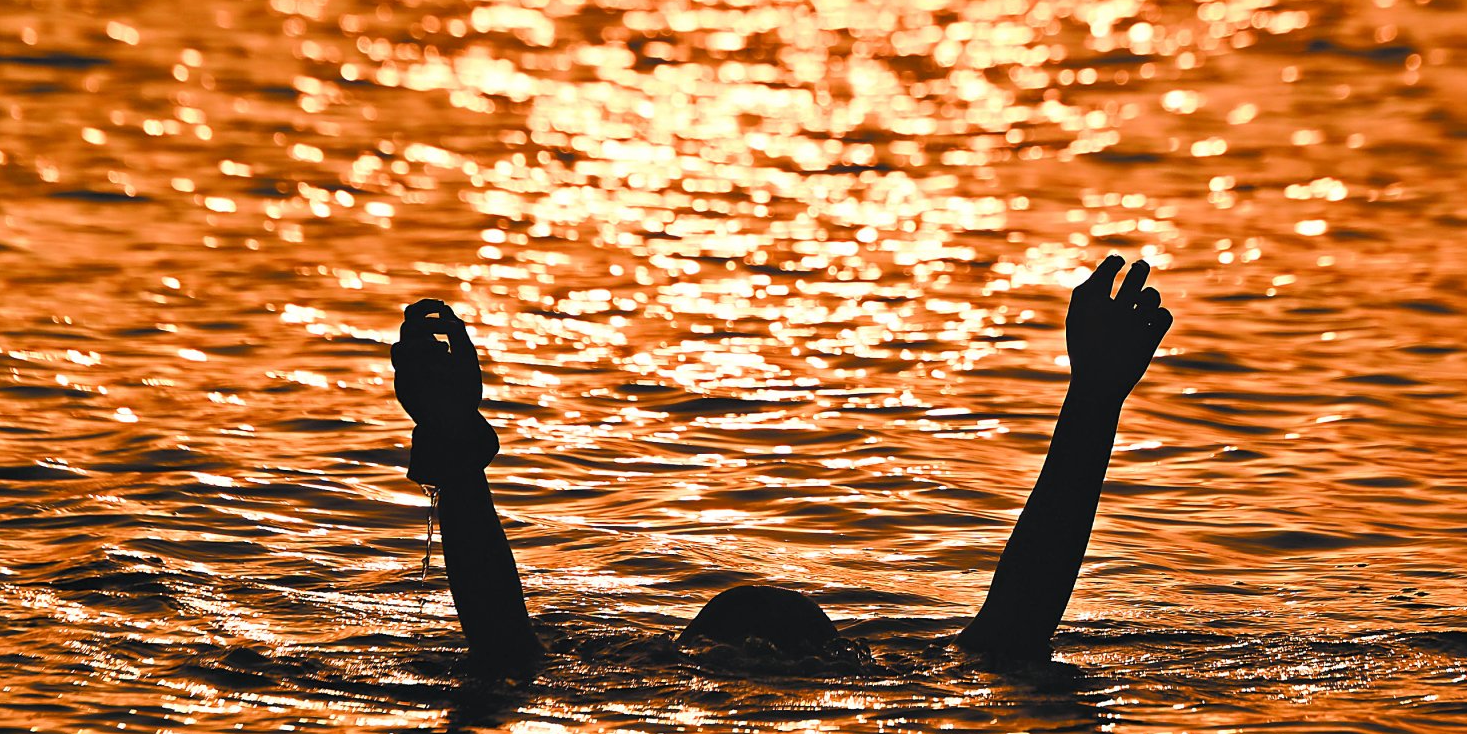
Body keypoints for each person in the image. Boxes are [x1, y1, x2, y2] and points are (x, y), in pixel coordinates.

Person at [390, 255, 1174, 675]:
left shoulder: (623, 678)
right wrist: (1094, 399)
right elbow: (1017, 620)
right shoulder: (897, 686)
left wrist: (457, 453)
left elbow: (503, 643)